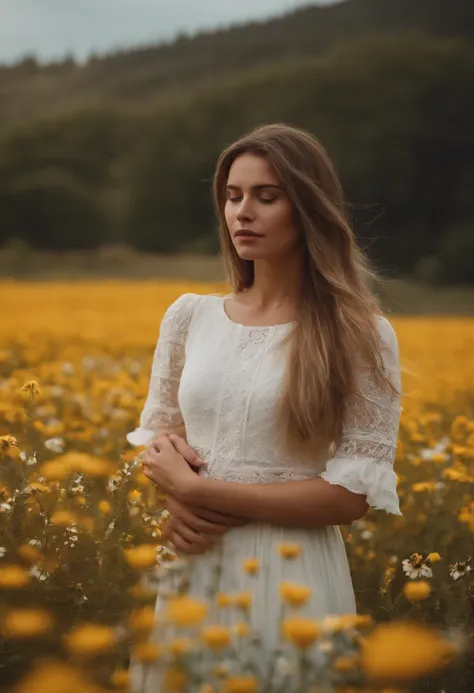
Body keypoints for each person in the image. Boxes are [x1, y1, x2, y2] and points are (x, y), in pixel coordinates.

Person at [126, 122, 403, 690]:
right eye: (233, 196)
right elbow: (158, 445)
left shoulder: (359, 334)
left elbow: (351, 497)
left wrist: (200, 493)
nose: (242, 213)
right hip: (192, 562)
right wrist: (172, 495)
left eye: (265, 197)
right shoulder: (188, 316)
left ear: (307, 208)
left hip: (292, 573)